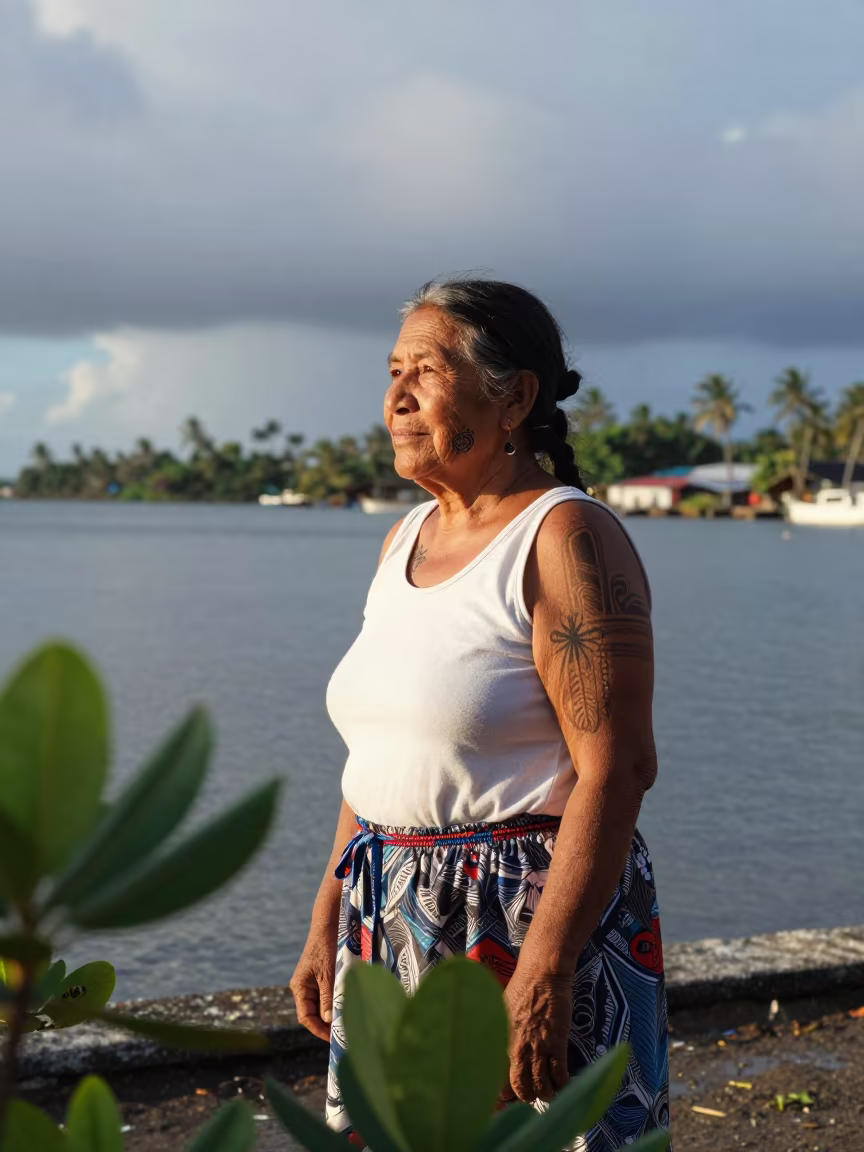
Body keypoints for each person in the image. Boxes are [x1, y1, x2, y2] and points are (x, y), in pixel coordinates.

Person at [290, 278, 669, 1149]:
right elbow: (380, 755)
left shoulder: (565, 538)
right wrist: (327, 917)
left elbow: (619, 767)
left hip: (522, 914)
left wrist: (547, 967)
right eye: (392, 372)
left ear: (516, 397)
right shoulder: (404, 538)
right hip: (386, 908)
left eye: (426, 370)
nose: (396, 397)